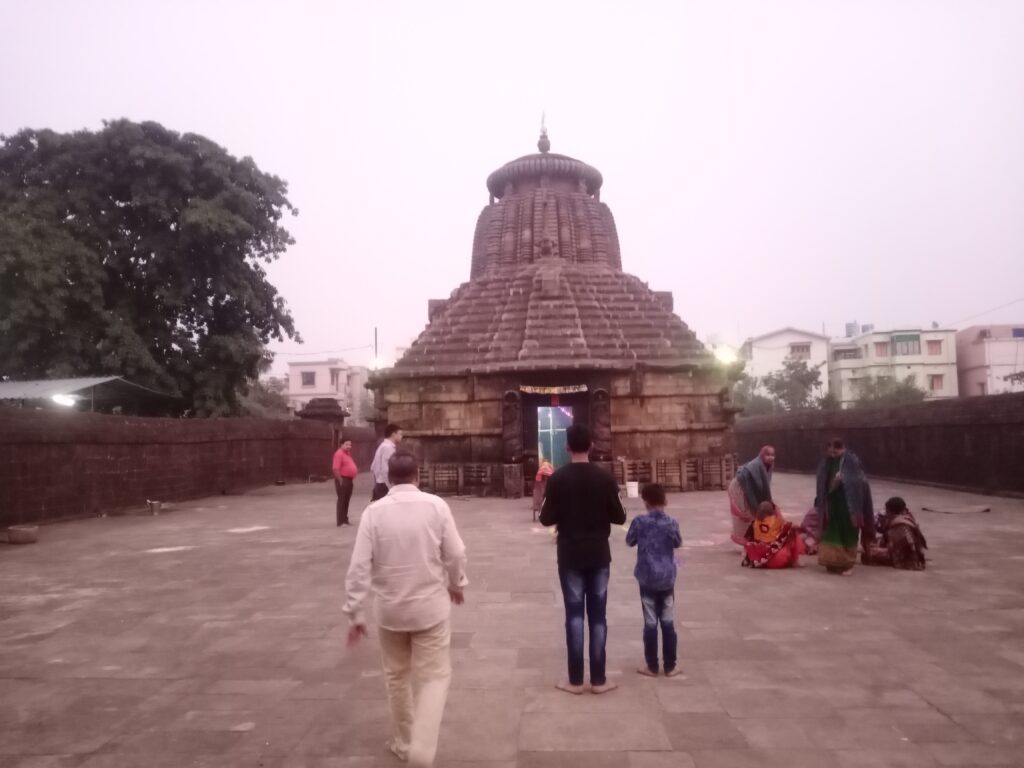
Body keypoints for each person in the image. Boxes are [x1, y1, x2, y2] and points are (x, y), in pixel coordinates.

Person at [343, 450, 468, 767]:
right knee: (434, 677)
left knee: (397, 678)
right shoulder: (436, 506)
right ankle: (422, 749)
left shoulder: (374, 512)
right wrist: (456, 584)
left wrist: (355, 613)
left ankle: (404, 741)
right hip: (430, 609)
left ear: (388, 477)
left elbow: (359, 566)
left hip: (390, 611)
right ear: (417, 476)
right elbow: (455, 554)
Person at [539, 424, 626, 695]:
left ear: (567, 447)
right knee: (598, 616)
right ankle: (599, 680)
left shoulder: (558, 479)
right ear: (591, 446)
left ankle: (575, 680)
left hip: (570, 555)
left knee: (575, 617)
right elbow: (620, 516)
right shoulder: (605, 478)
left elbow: (546, 518)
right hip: (599, 555)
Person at [625, 483, 682, 678]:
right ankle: (670, 665)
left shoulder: (640, 522)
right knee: (667, 620)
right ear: (664, 501)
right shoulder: (672, 523)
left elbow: (629, 540)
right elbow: (677, 542)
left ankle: (651, 665)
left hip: (647, 577)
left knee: (650, 621)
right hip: (667, 578)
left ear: (646, 501)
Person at [815, 439, 875, 575]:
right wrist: (832, 485)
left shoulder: (852, 462)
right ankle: (831, 562)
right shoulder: (827, 462)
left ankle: (847, 564)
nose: (833, 454)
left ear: (843, 448)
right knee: (831, 532)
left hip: (850, 506)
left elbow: (860, 483)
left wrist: (844, 480)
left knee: (848, 532)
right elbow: (822, 483)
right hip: (833, 504)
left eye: (836, 452)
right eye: (830, 451)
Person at [727, 445, 776, 545]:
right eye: (768, 454)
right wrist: (758, 506)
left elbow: (764, 485)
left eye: (773, 455)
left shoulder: (768, 466)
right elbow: (752, 489)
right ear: (762, 455)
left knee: (755, 512)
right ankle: (745, 540)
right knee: (746, 513)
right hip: (740, 487)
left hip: (748, 488)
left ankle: (753, 538)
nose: (771, 457)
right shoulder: (756, 466)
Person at [862, 496, 927, 570]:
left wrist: (878, 549)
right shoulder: (907, 516)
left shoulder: (899, 524)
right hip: (912, 552)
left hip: (905, 557)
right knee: (873, 545)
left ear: (889, 511)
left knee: (867, 554)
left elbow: (897, 548)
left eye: (887, 510)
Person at [741, 501, 805, 569]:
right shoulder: (776, 521)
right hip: (775, 559)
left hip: (756, 558)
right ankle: (794, 561)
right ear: (772, 512)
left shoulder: (754, 523)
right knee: (793, 533)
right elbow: (790, 526)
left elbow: (746, 539)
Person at [369, 423, 403, 502]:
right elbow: (386, 469)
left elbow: (373, 466)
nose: (402, 436)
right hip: (385, 486)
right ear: (393, 434)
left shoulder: (383, 446)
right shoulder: (388, 448)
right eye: (400, 434)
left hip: (380, 484)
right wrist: (390, 486)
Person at [332, 438, 358, 526]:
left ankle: (345, 519)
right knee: (342, 500)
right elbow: (335, 468)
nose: (349, 446)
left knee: (346, 500)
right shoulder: (339, 454)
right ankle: (340, 521)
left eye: (350, 445)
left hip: (349, 480)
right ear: (341, 444)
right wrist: (340, 480)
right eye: (347, 444)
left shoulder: (347, 454)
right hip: (343, 479)